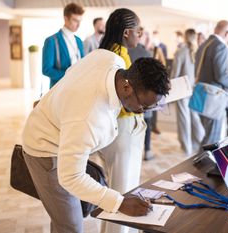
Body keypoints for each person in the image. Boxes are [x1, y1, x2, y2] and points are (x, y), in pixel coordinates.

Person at [22, 51, 170, 232]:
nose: (145, 112)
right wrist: (120, 203)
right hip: (44, 149)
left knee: (63, 215)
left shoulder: (109, 58)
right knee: (71, 225)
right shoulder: (88, 117)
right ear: (126, 88)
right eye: (144, 105)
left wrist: (56, 104)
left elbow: (71, 73)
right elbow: (71, 177)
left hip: (63, 131)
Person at [97, 8, 147, 232]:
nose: (141, 34)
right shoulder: (117, 57)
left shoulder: (114, 52)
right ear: (127, 32)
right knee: (121, 191)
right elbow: (123, 99)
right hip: (122, 128)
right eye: (139, 30)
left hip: (125, 128)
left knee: (123, 188)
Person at [195, 20, 228, 145]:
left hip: (201, 94)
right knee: (212, 139)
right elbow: (221, 75)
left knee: (209, 135)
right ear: (227, 32)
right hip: (214, 98)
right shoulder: (220, 46)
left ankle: (203, 162)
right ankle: (201, 164)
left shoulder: (204, 44)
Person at [170, 28, 205, 156]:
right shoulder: (198, 51)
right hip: (195, 88)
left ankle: (187, 148)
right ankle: (202, 141)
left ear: (185, 37)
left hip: (182, 89)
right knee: (194, 117)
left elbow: (175, 73)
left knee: (184, 118)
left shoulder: (181, 51)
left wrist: (170, 86)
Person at [128, 28, 156, 160]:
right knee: (147, 124)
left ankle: (133, 151)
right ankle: (148, 150)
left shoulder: (125, 50)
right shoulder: (146, 52)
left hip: (127, 97)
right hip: (144, 95)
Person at [42, 3, 85, 88]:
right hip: (60, 90)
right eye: (75, 20)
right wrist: (69, 76)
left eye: (80, 21)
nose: (78, 25)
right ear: (66, 19)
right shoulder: (51, 41)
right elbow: (46, 69)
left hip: (79, 87)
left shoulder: (79, 40)